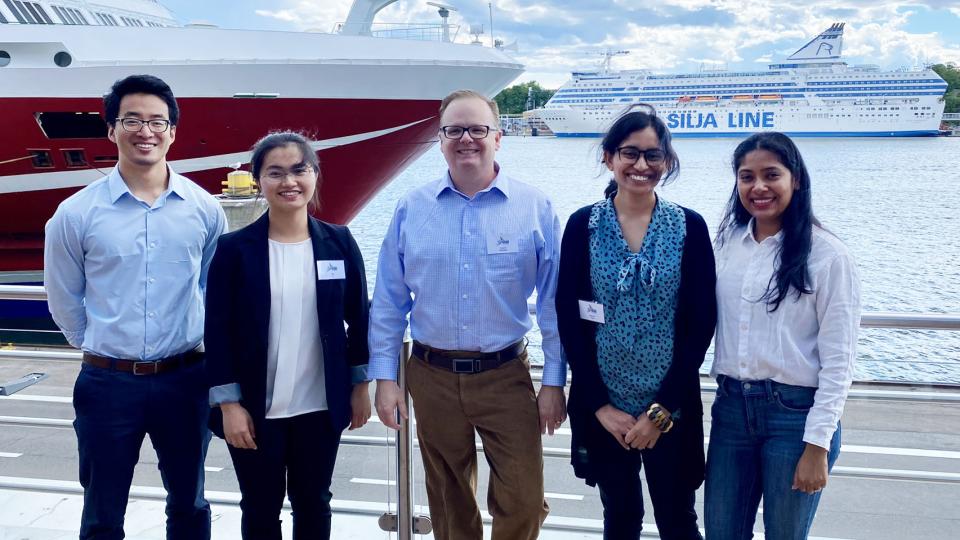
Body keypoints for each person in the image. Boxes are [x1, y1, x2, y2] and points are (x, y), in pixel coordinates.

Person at [367, 89, 567, 540]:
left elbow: (553, 303)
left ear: (499, 137)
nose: (466, 139)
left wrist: (554, 381)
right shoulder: (411, 208)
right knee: (448, 498)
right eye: (454, 130)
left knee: (524, 498)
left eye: (478, 129)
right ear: (440, 140)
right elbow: (389, 301)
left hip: (506, 374)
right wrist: (385, 378)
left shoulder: (534, 207)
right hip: (431, 374)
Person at [43, 74, 226, 540]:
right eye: (132, 120)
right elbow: (64, 297)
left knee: (190, 502)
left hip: (186, 379)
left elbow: (211, 284)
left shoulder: (204, 209)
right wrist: (101, 349)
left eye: (156, 121)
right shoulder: (75, 213)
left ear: (172, 132)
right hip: (107, 383)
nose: (145, 131)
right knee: (102, 509)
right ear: (111, 130)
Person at [555, 106, 717, 540]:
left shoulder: (690, 228)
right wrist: (599, 406)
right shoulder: (582, 226)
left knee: (677, 517)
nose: (641, 166)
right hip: (604, 402)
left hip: (671, 403)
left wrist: (661, 412)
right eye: (630, 153)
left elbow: (700, 325)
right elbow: (570, 321)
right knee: (620, 516)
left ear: (667, 161)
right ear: (608, 158)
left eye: (653, 155)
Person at [204, 131, 371, 539]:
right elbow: (217, 329)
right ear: (259, 181)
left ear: (314, 175)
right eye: (275, 172)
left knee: (314, 501)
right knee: (260, 508)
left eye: (299, 170)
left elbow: (359, 318)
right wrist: (228, 404)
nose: (289, 182)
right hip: (255, 409)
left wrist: (360, 383)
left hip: (320, 405)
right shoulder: (234, 250)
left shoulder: (339, 243)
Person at [704, 132, 861, 540]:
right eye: (746, 177)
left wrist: (818, 445)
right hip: (732, 410)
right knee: (721, 532)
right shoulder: (725, 245)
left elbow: (839, 359)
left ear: (796, 180)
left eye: (771, 175)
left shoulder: (827, 255)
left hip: (795, 416)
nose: (758, 187)